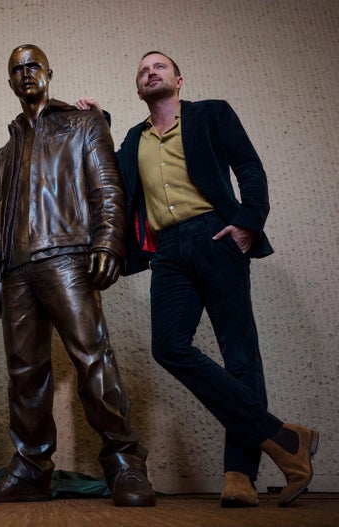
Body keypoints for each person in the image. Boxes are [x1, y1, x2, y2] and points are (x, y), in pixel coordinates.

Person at [114, 50, 319, 507]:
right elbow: (102, 173)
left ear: (179, 79)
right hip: (167, 250)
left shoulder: (211, 114)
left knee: (239, 353)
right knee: (169, 347)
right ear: (138, 87)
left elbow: (248, 166)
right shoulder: (133, 141)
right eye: (143, 71)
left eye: (159, 67)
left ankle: (239, 475)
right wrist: (91, 117)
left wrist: (249, 222)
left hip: (215, 235)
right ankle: (286, 439)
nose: (150, 73)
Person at [0, 44, 155, 507]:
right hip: (17, 269)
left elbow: (107, 187)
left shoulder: (82, 123)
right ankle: (31, 468)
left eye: (32, 65)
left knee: (93, 360)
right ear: (11, 81)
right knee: (24, 374)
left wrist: (108, 242)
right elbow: (4, 221)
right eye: (16, 69)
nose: (25, 73)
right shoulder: (5, 151)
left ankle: (124, 462)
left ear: (49, 73)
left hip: (68, 258)